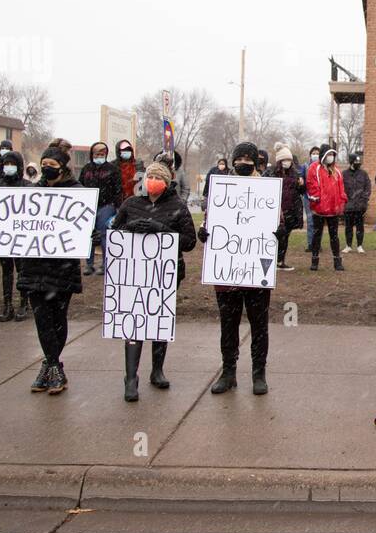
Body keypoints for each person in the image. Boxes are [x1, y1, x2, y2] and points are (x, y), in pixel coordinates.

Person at [112, 159, 196, 402]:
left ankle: (157, 370)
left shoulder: (177, 205)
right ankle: (130, 376)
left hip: (165, 273)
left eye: (159, 178)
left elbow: (189, 242)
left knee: (159, 320)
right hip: (133, 274)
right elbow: (114, 234)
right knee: (134, 322)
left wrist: (161, 229)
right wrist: (129, 227)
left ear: (168, 182)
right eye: (151, 177)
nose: (154, 182)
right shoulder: (131, 203)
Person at [201, 142, 272, 395]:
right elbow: (210, 218)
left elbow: (280, 221)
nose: (244, 162)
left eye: (248, 158)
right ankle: (228, 372)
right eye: (239, 158)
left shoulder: (266, 190)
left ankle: (258, 374)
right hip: (227, 271)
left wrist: (278, 230)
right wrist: (205, 232)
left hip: (255, 272)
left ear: (256, 162)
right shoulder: (222, 190)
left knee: (259, 325)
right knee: (228, 325)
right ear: (233, 161)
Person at [18, 145, 83, 394]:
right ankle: (53, 366)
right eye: (43, 163)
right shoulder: (33, 192)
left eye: (52, 165)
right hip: (34, 265)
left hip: (61, 266)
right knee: (41, 317)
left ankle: (51, 365)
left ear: (63, 167)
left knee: (57, 317)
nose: (46, 168)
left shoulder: (76, 192)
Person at [0, 150, 30, 322]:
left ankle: (24, 303)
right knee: (6, 272)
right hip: (5, 236)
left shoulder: (28, 186)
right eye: (6, 164)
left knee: (23, 271)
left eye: (12, 164)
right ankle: (7, 304)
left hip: (22, 235)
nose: (9, 167)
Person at [80, 141, 123, 276]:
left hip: (107, 205)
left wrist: (117, 207)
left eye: (102, 153)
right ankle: (89, 264)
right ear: (92, 154)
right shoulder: (86, 169)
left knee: (104, 235)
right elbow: (79, 186)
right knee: (89, 235)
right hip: (88, 206)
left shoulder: (112, 169)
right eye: (97, 153)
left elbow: (118, 189)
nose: (100, 156)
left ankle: (105, 263)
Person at [306, 144, 346, 271]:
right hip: (319, 210)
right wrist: (318, 201)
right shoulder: (314, 168)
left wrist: (341, 202)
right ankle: (314, 261)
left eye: (332, 155)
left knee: (334, 236)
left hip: (333, 210)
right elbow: (312, 186)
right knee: (317, 236)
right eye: (328, 154)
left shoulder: (337, 171)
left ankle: (337, 261)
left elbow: (341, 189)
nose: (330, 157)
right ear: (323, 155)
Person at [267, 146, 303, 271]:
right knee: (273, 236)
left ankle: (280, 261)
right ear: (280, 161)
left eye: (289, 159)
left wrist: (301, 185)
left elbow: (301, 192)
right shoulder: (271, 173)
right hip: (275, 210)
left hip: (290, 210)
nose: (287, 162)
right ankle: (270, 259)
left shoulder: (295, 174)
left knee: (285, 236)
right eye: (285, 159)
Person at [341, 151, 371, 254]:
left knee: (360, 227)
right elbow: (341, 189)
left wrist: (364, 201)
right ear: (351, 162)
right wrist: (344, 201)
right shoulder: (344, 174)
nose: (358, 163)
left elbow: (367, 187)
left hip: (360, 206)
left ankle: (359, 246)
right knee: (348, 227)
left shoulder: (363, 174)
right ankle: (348, 245)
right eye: (356, 161)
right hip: (348, 206)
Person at [303, 145, 321, 250]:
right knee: (310, 220)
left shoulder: (322, 167)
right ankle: (310, 244)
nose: (315, 155)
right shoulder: (305, 166)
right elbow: (301, 177)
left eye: (317, 153)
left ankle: (317, 244)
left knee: (318, 221)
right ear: (310, 155)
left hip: (319, 198)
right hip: (307, 197)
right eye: (313, 153)